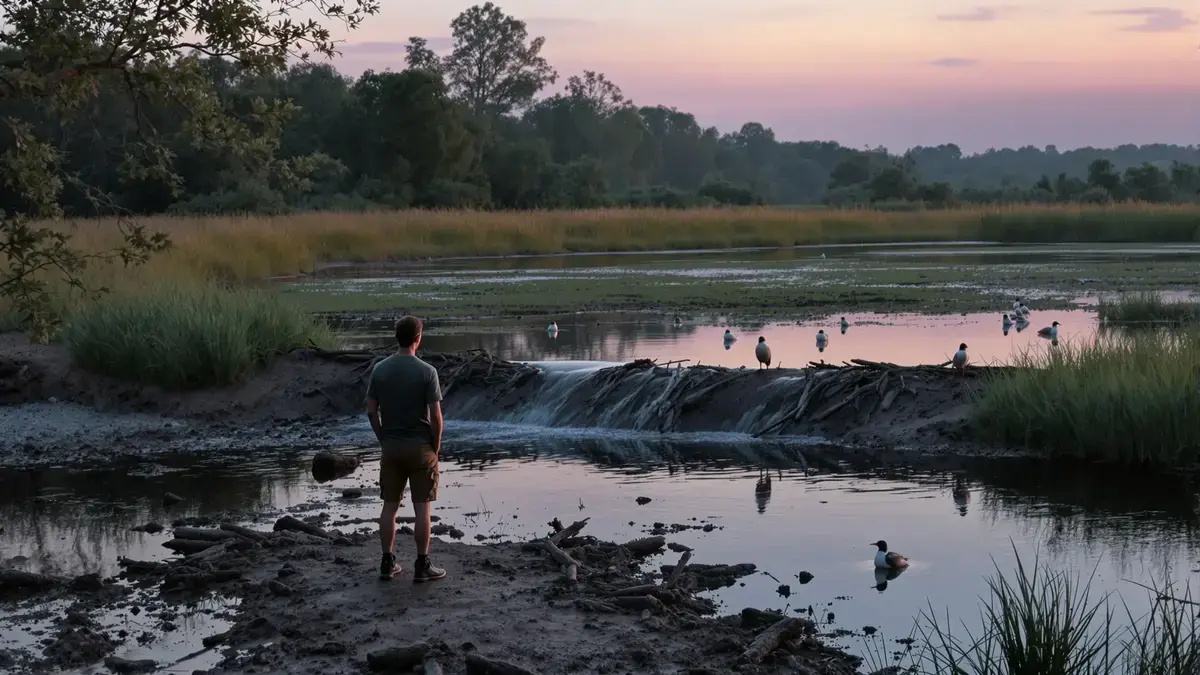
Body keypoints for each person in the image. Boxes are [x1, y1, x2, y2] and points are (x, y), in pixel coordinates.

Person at [366, 315, 447, 583]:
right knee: (422, 508)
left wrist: (382, 437)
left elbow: (371, 410)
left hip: (391, 446)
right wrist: (435, 446)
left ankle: (387, 562)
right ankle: (422, 565)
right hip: (420, 447)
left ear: (396, 337)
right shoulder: (427, 372)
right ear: (418, 338)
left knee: (389, 507)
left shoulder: (379, 370)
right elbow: (436, 418)